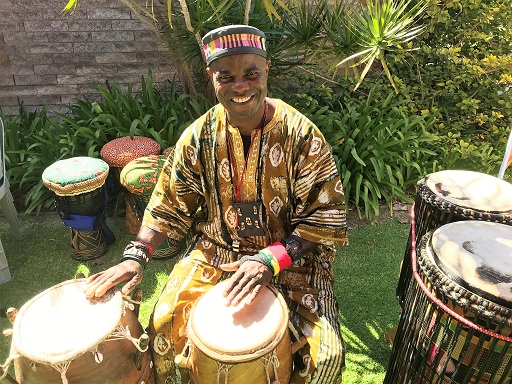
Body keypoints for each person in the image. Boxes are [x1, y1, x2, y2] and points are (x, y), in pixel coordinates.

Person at [84, 24, 349, 384]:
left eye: (251, 73)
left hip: (291, 258)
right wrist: (136, 255)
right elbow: (168, 205)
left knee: (326, 359)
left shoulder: (302, 136)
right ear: (212, 78)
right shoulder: (198, 136)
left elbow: (325, 218)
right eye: (227, 77)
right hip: (215, 250)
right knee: (162, 326)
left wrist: (270, 260)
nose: (240, 86)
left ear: (266, 71)